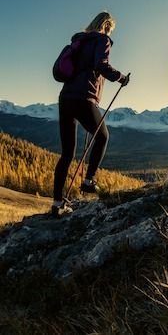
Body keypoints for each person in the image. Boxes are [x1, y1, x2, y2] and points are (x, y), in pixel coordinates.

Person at [52, 12, 130, 216]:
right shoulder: (103, 39)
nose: (111, 33)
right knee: (103, 136)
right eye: (111, 29)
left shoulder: (79, 40)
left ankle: (57, 203)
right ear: (106, 26)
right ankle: (88, 181)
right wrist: (120, 77)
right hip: (84, 97)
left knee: (67, 153)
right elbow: (100, 65)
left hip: (66, 97)